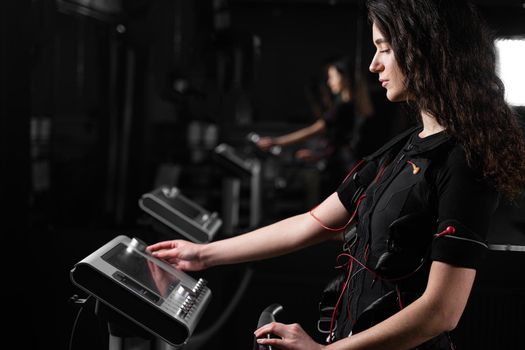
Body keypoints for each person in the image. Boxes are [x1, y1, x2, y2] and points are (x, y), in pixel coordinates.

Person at [147, 0, 525, 349]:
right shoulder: (401, 148)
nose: (374, 64)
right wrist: (202, 254)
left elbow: (441, 311)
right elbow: (310, 224)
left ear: (425, 49)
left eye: (385, 48)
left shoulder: (463, 160)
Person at [256, 57, 374, 196]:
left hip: (340, 169)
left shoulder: (343, 107)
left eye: (332, 77)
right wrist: (319, 156)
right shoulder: (353, 106)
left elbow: (314, 130)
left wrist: (275, 142)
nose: (329, 82)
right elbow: (340, 142)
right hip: (345, 166)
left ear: (344, 77)